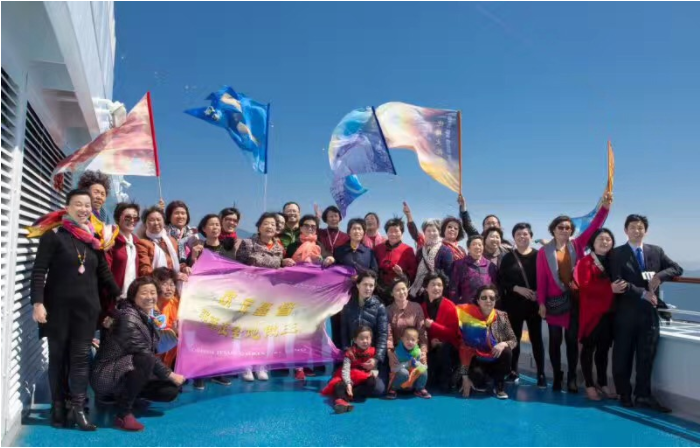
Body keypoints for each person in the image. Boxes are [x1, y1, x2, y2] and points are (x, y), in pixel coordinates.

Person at [30, 189, 121, 430]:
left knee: (81, 360)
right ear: (67, 208)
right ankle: (58, 407)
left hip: (86, 310)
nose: (83, 209)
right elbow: (39, 271)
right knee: (58, 359)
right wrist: (37, 303)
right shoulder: (54, 236)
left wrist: (122, 294)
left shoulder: (94, 241)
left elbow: (104, 273)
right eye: (78, 205)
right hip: (56, 309)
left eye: (87, 206)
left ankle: (79, 409)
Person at [537, 192, 612, 393]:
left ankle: (571, 376)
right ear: (553, 229)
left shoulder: (577, 245)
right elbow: (541, 279)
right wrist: (541, 303)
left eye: (568, 227)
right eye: (560, 227)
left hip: (575, 302)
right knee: (554, 342)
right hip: (554, 303)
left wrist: (604, 208)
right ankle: (557, 375)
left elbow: (595, 226)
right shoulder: (543, 252)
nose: (564, 230)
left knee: (572, 341)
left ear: (572, 231)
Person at [91, 277, 185, 431]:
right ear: (133, 296)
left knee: (170, 391)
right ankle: (123, 413)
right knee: (146, 360)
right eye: (144, 293)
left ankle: (127, 395)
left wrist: (174, 332)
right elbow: (143, 352)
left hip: (126, 369)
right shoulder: (127, 317)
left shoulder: (150, 314)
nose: (150, 297)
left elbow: (155, 346)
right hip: (107, 375)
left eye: (153, 292)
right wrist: (170, 374)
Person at [611, 214, 683, 412]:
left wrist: (660, 276)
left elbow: (677, 268)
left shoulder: (656, 251)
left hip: (649, 315)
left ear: (646, 230)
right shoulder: (617, 254)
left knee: (646, 356)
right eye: (633, 227)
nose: (637, 230)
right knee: (622, 356)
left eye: (640, 227)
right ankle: (624, 394)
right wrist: (642, 293)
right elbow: (618, 282)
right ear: (626, 230)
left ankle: (643, 395)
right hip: (626, 314)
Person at [236, 212, 293, 381]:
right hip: (250, 294)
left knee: (265, 331)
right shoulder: (247, 244)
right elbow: (239, 267)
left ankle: (261, 365)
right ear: (259, 227)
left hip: (270, 294)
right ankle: (246, 366)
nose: (270, 227)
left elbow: (277, 269)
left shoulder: (278, 248)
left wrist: (284, 264)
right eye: (266, 223)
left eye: (273, 225)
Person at [575, 228, 626, 401]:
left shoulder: (615, 261)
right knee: (588, 349)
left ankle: (602, 383)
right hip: (592, 313)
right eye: (600, 239)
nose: (604, 242)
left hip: (611, 312)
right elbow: (585, 285)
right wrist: (609, 288)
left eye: (608, 239)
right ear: (593, 243)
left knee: (604, 350)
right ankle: (589, 384)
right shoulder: (585, 262)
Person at [498, 223, 546, 387]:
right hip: (514, 305)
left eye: (525, 234)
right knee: (515, 340)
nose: (522, 237)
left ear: (531, 236)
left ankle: (541, 374)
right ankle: (513, 371)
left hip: (534, 306)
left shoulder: (539, 256)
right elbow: (502, 280)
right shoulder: (508, 258)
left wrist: (540, 294)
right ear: (514, 237)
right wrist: (516, 288)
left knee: (536, 340)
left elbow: (546, 278)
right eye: (518, 234)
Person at [458, 285, 517, 400]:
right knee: (478, 378)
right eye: (484, 298)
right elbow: (463, 348)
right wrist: (464, 377)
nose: (488, 301)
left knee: (507, 351)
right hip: (476, 359)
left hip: (495, 357)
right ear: (478, 301)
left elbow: (513, 340)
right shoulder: (468, 317)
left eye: (492, 298)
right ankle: (482, 379)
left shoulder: (502, 316)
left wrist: (503, 344)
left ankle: (499, 385)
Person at [340, 271, 388, 396]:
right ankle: (350, 388)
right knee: (338, 381)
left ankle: (350, 390)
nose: (368, 288)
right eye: (365, 284)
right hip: (354, 356)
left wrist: (376, 359)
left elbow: (383, 335)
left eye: (371, 285)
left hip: (370, 356)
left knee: (379, 390)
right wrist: (347, 351)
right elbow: (343, 333)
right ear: (358, 285)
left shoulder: (379, 308)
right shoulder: (348, 307)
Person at [102, 203, 142, 336]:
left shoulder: (136, 242)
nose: (132, 220)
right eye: (127, 217)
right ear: (118, 218)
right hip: (112, 301)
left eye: (135, 218)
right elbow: (105, 270)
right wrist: (113, 297)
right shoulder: (111, 239)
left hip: (131, 302)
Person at [321, 326, 379, 414]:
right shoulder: (350, 353)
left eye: (367, 338)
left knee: (372, 382)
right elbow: (345, 370)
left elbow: (375, 368)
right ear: (355, 340)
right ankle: (342, 402)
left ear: (371, 339)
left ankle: (346, 396)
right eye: (361, 339)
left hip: (362, 378)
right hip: (350, 377)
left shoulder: (373, 352)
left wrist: (374, 372)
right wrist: (348, 383)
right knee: (338, 385)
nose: (365, 341)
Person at [386, 277, 428, 383]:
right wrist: (390, 353)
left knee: (423, 372)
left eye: (404, 288)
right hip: (397, 353)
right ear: (392, 293)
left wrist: (423, 352)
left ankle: (419, 388)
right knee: (402, 374)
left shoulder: (416, 307)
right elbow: (388, 334)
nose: (402, 292)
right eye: (397, 290)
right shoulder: (388, 311)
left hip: (415, 351)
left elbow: (422, 332)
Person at [136, 206, 188, 281]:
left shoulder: (172, 241)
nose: (156, 223)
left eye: (158, 219)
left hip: (173, 286)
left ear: (164, 222)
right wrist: (172, 276)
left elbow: (174, 264)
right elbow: (144, 270)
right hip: (155, 286)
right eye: (151, 220)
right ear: (145, 224)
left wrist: (184, 268)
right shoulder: (142, 243)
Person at [374, 218, 417, 304]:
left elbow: (413, 271)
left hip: (399, 290)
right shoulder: (378, 248)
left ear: (402, 233)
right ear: (386, 233)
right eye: (390, 231)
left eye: (397, 231)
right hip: (380, 290)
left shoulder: (408, 249)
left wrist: (402, 274)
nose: (393, 234)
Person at [450, 235, 497, 305]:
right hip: (466, 308)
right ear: (468, 248)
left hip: (486, 306)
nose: (477, 247)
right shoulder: (459, 264)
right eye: (474, 244)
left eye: (480, 245)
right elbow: (453, 288)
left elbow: (495, 287)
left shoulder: (490, 266)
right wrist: (455, 305)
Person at [387, 327, 431, 399]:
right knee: (404, 372)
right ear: (402, 339)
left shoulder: (418, 352)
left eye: (413, 340)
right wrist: (407, 364)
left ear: (417, 341)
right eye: (407, 339)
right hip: (400, 383)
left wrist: (418, 364)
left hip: (412, 382)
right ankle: (393, 389)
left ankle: (419, 389)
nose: (410, 342)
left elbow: (425, 366)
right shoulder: (396, 353)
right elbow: (394, 369)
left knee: (423, 370)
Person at [153, 267, 180, 370]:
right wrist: (172, 332)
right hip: (151, 361)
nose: (169, 289)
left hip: (172, 360)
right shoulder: (149, 307)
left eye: (172, 284)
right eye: (165, 284)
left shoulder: (178, 304)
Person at [164, 200, 198, 265]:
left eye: (183, 213)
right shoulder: (163, 233)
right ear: (169, 216)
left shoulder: (193, 234)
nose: (180, 216)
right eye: (176, 213)